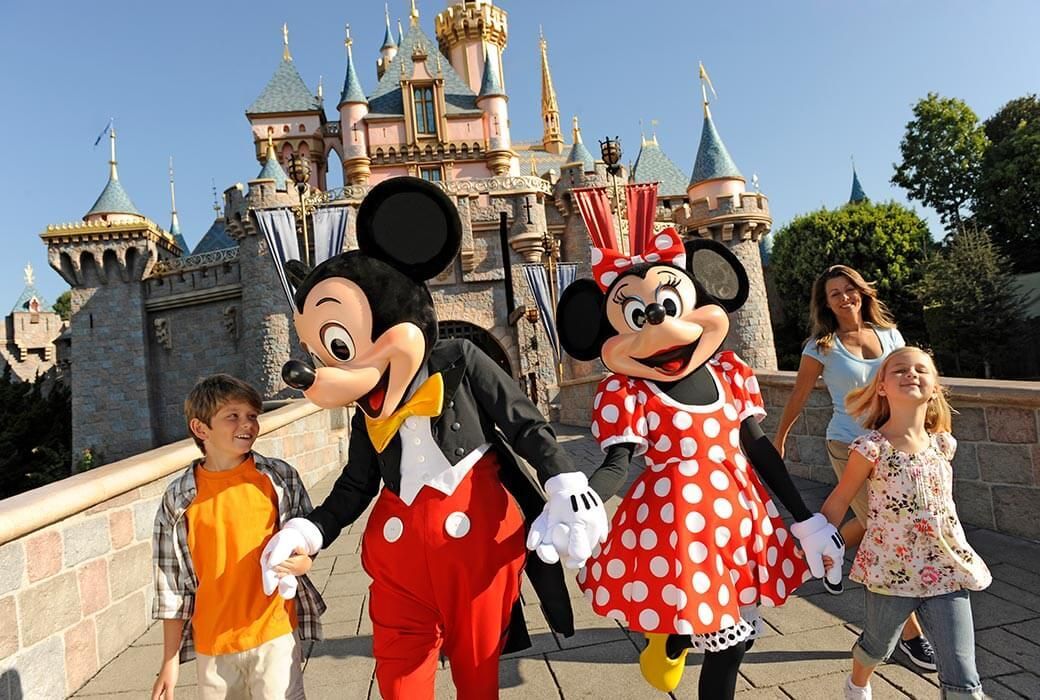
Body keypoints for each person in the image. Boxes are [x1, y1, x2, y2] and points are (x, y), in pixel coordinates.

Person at [773, 265, 934, 670]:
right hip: (847, 444)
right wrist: (779, 439)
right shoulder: (821, 346)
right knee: (883, 527)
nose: (845, 298)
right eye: (835, 294)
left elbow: (910, 381)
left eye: (850, 290)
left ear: (861, 292)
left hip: (892, 443)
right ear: (825, 303)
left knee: (874, 521)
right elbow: (799, 394)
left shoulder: (890, 335)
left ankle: (829, 547)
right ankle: (911, 638)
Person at [820, 347, 991, 700]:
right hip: (890, 570)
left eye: (920, 370)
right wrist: (823, 542)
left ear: (935, 388)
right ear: (881, 386)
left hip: (947, 569)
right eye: (899, 369)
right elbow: (840, 500)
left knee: (963, 672)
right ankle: (857, 683)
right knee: (877, 646)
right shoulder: (871, 448)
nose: (911, 374)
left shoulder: (943, 444)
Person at [151, 374, 325, 700]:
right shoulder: (178, 498)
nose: (247, 424)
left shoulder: (279, 477)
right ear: (201, 429)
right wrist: (169, 661)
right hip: (213, 647)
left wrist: (304, 560)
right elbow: (171, 586)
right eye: (232, 416)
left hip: (274, 633)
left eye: (252, 416)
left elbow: (305, 533)